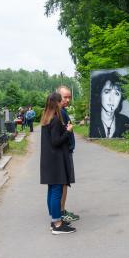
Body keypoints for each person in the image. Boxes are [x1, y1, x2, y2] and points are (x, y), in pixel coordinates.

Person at [40, 92, 76, 234]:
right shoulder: (55, 119)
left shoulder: (46, 118)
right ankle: (57, 224)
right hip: (55, 161)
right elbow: (56, 142)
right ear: (56, 103)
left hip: (49, 160)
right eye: (61, 101)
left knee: (52, 190)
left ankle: (55, 220)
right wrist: (68, 131)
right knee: (56, 191)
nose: (63, 103)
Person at [57, 86, 80, 222]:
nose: (68, 100)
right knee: (63, 183)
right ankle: (61, 211)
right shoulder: (60, 112)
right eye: (65, 97)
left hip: (66, 151)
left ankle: (61, 210)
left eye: (69, 97)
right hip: (64, 152)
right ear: (58, 96)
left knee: (64, 183)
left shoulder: (62, 111)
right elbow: (60, 135)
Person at [90, 71, 129, 138]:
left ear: (121, 98)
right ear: (100, 94)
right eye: (107, 92)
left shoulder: (125, 121)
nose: (112, 99)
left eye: (117, 94)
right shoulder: (92, 122)